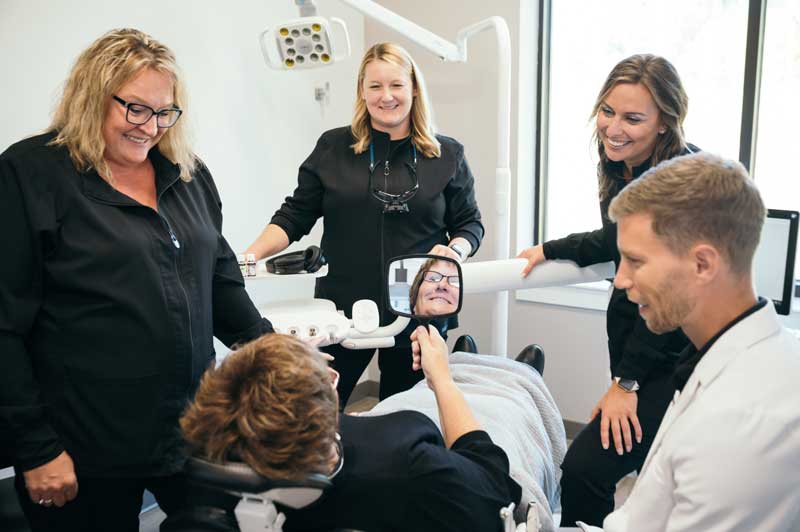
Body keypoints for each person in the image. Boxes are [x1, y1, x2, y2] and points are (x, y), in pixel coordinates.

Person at [0, 28, 274, 532]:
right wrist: (36, 448)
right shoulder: (30, 175)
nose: (150, 127)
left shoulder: (187, 175)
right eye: (135, 109)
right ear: (91, 98)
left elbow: (218, 279)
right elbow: (4, 325)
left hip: (190, 425)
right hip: (82, 443)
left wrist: (278, 356)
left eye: (164, 112)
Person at [244, 42, 484, 405]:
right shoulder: (334, 147)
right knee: (319, 408)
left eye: (396, 85)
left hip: (417, 305)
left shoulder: (446, 153)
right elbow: (295, 214)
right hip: (341, 307)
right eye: (375, 86)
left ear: (414, 88)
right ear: (362, 91)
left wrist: (452, 254)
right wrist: (249, 255)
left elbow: (470, 225)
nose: (386, 96)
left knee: (406, 416)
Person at [517, 54, 698, 526]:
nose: (614, 128)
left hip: (672, 358)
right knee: (648, 476)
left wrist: (628, 383)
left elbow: (669, 296)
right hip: (634, 352)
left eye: (633, 118)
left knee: (585, 471)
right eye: (608, 111)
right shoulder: (623, 164)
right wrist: (549, 249)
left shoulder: (678, 183)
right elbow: (615, 239)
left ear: (665, 122)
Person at [575, 152, 800, 531]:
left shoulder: (737, 421)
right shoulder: (725, 357)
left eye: (636, 261)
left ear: (703, 265)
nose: (621, 280)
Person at [170, 331, 523, 532]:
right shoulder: (405, 464)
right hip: (454, 448)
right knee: (508, 398)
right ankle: (516, 373)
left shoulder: (215, 474)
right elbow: (494, 486)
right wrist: (441, 379)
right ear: (328, 406)